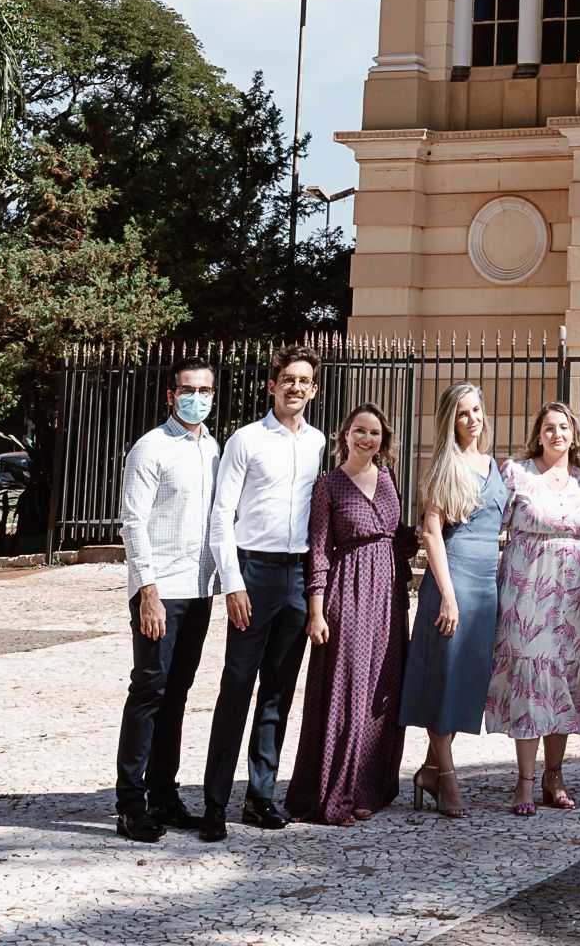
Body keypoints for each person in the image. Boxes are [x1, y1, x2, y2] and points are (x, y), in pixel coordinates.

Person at [201, 348, 326, 840]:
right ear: (272, 385)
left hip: (298, 576)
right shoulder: (245, 440)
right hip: (253, 571)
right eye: (288, 379)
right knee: (236, 687)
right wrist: (231, 581)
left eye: (304, 381)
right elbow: (221, 515)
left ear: (313, 390)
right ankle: (214, 803)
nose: (296, 387)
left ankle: (259, 796)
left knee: (278, 691)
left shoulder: (319, 444)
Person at [285, 404, 409, 825]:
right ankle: (333, 790)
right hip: (349, 592)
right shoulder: (329, 487)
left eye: (374, 433)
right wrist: (317, 612)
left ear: (382, 440)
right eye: (360, 431)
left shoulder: (390, 479)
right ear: (345, 434)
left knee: (382, 692)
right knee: (348, 692)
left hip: (389, 596)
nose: (366, 439)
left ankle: (367, 788)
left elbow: (397, 535)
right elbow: (318, 553)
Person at [115, 359, 220, 842]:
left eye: (204, 390)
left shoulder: (214, 449)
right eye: (187, 389)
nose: (196, 397)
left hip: (199, 590)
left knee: (176, 695)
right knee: (149, 693)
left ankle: (164, 795)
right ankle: (130, 803)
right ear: (170, 394)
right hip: (160, 592)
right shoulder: (149, 449)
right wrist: (147, 593)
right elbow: (133, 523)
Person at [485, 400, 580, 813]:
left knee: (565, 677)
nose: (556, 434)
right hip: (526, 591)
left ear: (574, 434)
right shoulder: (516, 474)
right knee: (531, 677)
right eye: (549, 427)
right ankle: (524, 782)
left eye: (564, 427)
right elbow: (485, 520)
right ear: (538, 434)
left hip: (574, 595)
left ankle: (555, 776)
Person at [401, 381, 508, 818]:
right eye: (463, 413)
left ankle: (430, 769)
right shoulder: (443, 466)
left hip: (486, 586)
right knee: (442, 680)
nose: (473, 419)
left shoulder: (493, 463)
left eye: (477, 410)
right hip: (453, 582)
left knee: (466, 682)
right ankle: (447, 781)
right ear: (450, 420)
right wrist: (446, 594)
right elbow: (431, 533)